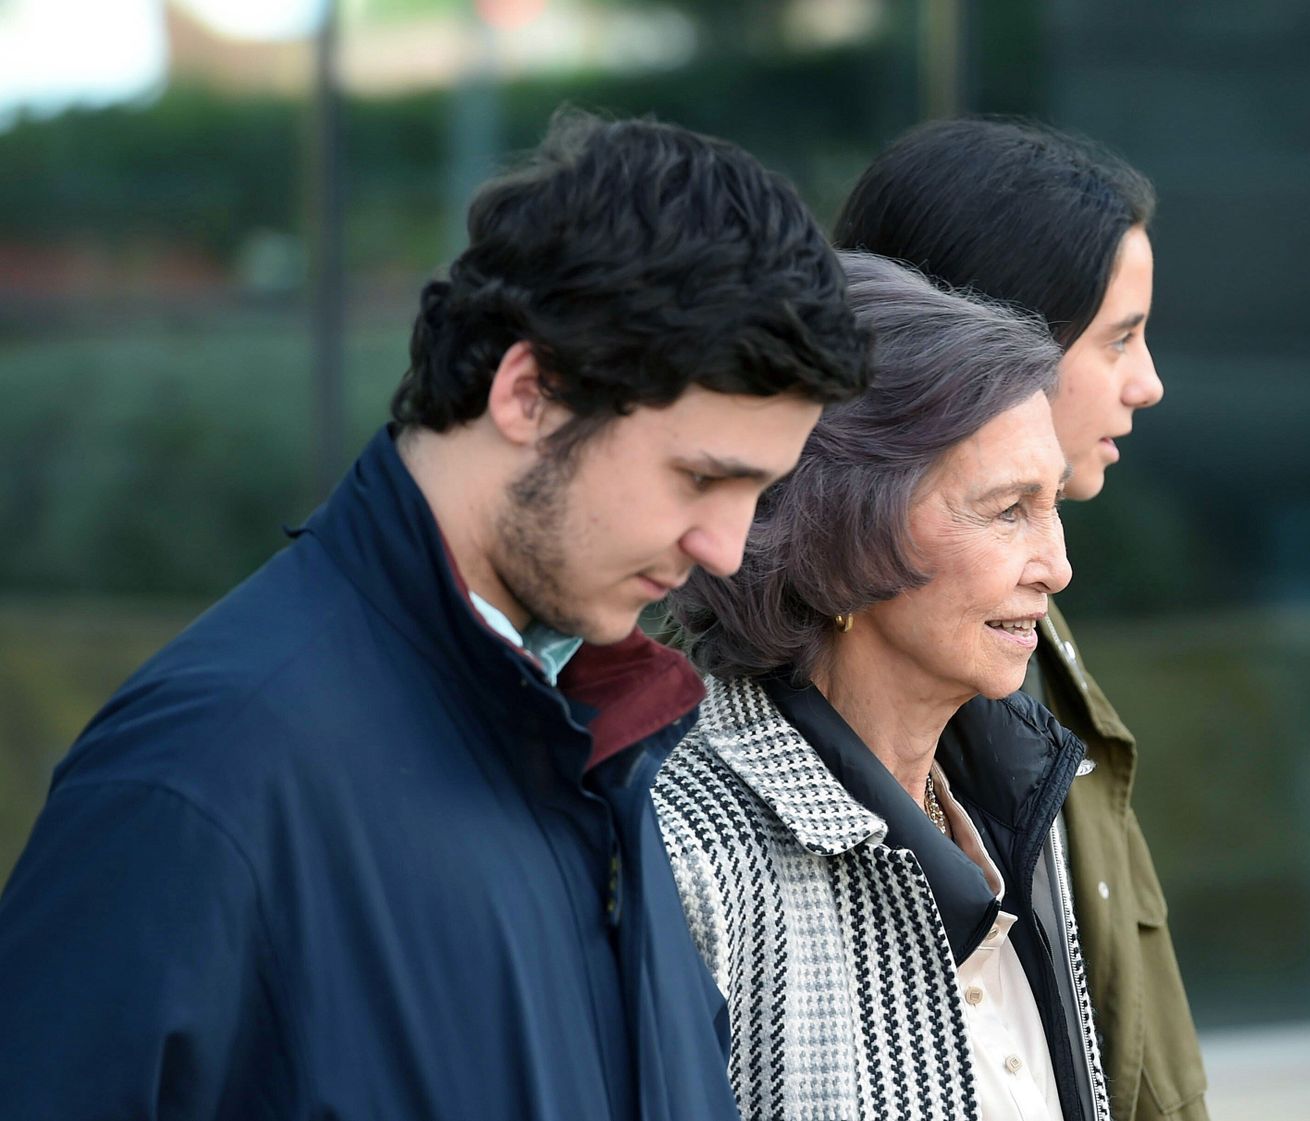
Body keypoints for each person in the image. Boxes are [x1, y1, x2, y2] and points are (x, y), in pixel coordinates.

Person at [0, 111, 871, 1120]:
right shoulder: (204, 768)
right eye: (700, 477)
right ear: (529, 392)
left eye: (756, 493)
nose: (723, 546)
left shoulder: (598, 737)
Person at [657, 250, 1110, 1121]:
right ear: (844, 532)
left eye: (1054, 504)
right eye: (1008, 508)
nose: (1056, 565)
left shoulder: (1021, 797)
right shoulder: (690, 859)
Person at [835, 117, 1206, 1121]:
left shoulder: (1021, 631)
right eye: (1118, 338)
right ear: (983, 347)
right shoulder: (839, 689)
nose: (1148, 381)